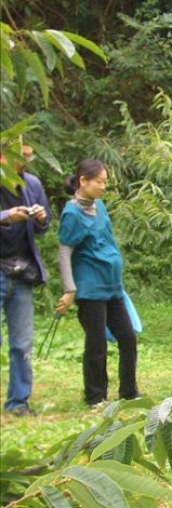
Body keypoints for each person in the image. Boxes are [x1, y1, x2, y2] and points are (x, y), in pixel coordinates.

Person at [55, 159, 139, 407]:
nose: (103, 186)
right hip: (90, 289)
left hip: (112, 287)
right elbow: (64, 250)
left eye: (105, 182)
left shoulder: (100, 207)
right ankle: (95, 396)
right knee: (96, 343)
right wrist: (69, 288)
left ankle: (129, 392)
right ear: (83, 181)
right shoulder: (72, 213)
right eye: (99, 182)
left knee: (128, 337)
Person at [0, 144, 51, 416]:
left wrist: (40, 218)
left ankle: (18, 403)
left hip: (22, 271)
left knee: (22, 344)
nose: (24, 163)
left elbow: (45, 226)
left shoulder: (32, 184)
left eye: (28, 158)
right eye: (20, 158)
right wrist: (7, 216)